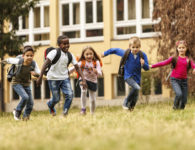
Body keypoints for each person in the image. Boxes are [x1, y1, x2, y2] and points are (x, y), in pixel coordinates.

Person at [36, 35, 87, 116]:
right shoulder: (54, 52)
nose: (67, 45)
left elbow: (77, 67)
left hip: (64, 78)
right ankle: (50, 104)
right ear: (59, 45)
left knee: (70, 95)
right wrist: (40, 77)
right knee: (56, 99)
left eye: (68, 43)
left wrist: (83, 79)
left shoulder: (70, 55)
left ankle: (65, 112)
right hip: (53, 78)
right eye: (64, 44)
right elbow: (45, 64)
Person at [101, 36, 150, 111]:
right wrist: (105, 53)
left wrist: (143, 64)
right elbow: (115, 50)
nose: (135, 49)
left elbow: (147, 68)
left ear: (140, 47)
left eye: (137, 47)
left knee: (135, 96)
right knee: (137, 88)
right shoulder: (126, 53)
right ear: (129, 47)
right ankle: (125, 102)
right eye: (133, 47)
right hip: (128, 76)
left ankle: (130, 109)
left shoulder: (143, 55)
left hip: (137, 78)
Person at [150, 40, 195, 109]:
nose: (181, 49)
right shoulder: (174, 58)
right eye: (180, 48)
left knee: (184, 100)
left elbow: (193, 65)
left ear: (186, 48)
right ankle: (175, 107)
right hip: (175, 80)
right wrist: (152, 66)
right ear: (177, 48)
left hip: (184, 81)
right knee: (179, 94)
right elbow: (163, 63)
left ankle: (180, 111)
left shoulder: (188, 59)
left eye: (183, 48)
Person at [0, 46, 40, 121]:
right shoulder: (18, 61)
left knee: (30, 103)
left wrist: (35, 74)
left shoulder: (33, 64)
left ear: (33, 56)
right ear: (23, 56)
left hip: (27, 84)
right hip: (16, 83)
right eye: (27, 55)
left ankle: (25, 118)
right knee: (25, 97)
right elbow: (8, 60)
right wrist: (2, 62)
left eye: (31, 55)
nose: (29, 57)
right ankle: (17, 111)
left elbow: (39, 73)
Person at [69, 46, 102, 115]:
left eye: (91, 54)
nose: (89, 56)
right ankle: (83, 109)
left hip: (93, 81)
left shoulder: (96, 62)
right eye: (87, 54)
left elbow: (100, 74)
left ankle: (92, 113)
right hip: (84, 79)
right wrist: (65, 73)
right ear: (84, 55)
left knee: (92, 99)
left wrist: (96, 71)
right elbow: (73, 68)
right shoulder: (82, 62)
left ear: (93, 54)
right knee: (83, 91)